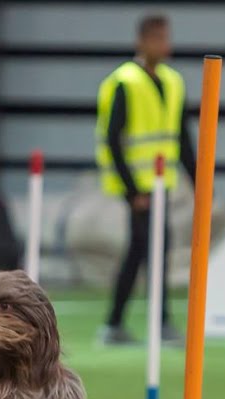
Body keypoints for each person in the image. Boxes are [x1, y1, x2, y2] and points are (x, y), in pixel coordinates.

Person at [96, 13, 196, 345]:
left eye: (166, 38)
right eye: (157, 38)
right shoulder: (125, 81)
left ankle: (114, 324)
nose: (164, 45)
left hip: (161, 183)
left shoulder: (173, 81)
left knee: (142, 251)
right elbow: (113, 138)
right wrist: (131, 189)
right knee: (154, 249)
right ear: (141, 41)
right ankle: (161, 323)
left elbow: (181, 135)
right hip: (137, 187)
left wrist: (198, 180)